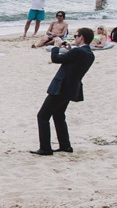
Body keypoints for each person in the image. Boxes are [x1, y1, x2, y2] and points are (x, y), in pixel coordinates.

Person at [30, 28, 95, 156]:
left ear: (81, 37)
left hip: (61, 88)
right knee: (59, 116)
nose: (75, 38)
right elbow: (74, 61)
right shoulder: (88, 54)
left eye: (76, 36)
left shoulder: (78, 52)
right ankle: (65, 145)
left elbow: (56, 58)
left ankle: (45, 148)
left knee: (42, 116)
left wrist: (56, 46)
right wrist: (70, 49)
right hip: (71, 89)